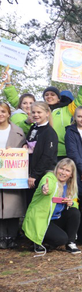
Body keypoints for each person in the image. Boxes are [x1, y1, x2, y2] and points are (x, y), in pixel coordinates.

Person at [4, 75, 82, 157]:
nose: (49, 96)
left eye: (52, 95)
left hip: (62, 151)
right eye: (46, 95)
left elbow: (81, 99)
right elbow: (18, 102)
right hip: (41, 150)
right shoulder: (39, 110)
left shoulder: (67, 109)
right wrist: (8, 86)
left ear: (58, 98)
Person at [23, 158, 81, 255]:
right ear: (56, 169)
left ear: (71, 175)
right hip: (41, 220)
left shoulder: (70, 186)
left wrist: (71, 203)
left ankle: (71, 243)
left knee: (74, 212)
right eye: (61, 169)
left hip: (55, 219)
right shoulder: (49, 178)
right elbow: (46, 187)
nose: (63, 172)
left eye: (67, 170)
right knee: (61, 239)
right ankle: (37, 241)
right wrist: (45, 188)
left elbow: (76, 203)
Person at [64, 106, 82, 242]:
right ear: (75, 117)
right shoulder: (70, 132)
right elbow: (73, 153)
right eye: (79, 116)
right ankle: (73, 235)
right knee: (76, 203)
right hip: (77, 173)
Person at [0, 103, 27, 248]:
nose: (1, 114)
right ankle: (1, 237)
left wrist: (18, 150)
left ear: (9, 113)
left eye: (3, 111)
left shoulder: (18, 131)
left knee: (12, 206)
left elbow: (24, 149)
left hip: (12, 175)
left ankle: (11, 236)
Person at [26, 102, 59, 192]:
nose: (36, 115)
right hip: (30, 173)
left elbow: (47, 156)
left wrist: (34, 175)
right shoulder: (33, 128)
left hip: (41, 175)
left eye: (39, 112)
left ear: (47, 113)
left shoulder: (50, 132)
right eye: (33, 112)